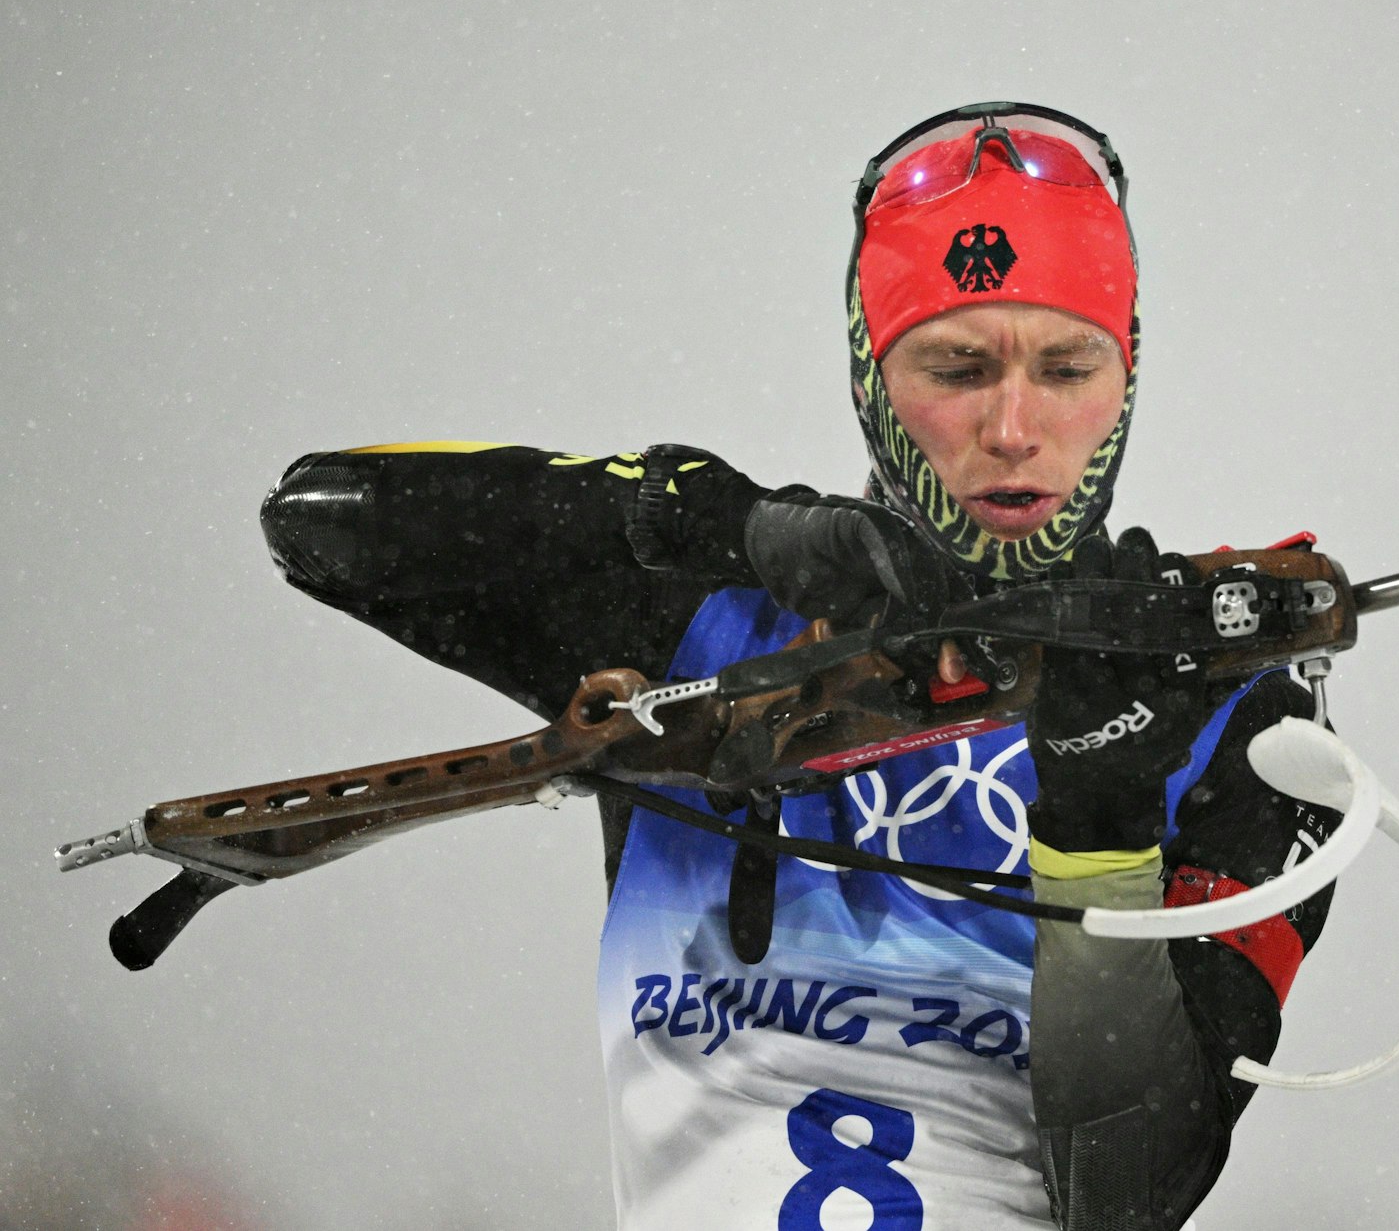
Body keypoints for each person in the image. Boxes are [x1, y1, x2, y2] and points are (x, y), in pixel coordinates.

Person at [258, 103, 1342, 1231]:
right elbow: (324, 519)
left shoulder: (1230, 716)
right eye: (957, 366)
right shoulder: (700, 620)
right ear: (872, 379)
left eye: (1067, 365)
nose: (1014, 426)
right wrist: (719, 524)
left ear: (1126, 383)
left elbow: (1128, 1194)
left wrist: (1101, 829)